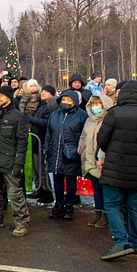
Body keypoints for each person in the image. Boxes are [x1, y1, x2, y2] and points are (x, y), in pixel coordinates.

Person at [97, 80, 137, 260]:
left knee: (112, 204)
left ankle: (120, 241)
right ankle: (135, 245)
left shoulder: (115, 113)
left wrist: (110, 150)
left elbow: (102, 139)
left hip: (115, 167)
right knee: (134, 207)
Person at [0, 86, 30, 237]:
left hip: (10, 161)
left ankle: (22, 224)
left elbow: (22, 142)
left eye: (1, 95)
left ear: (9, 97)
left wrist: (18, 163)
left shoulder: (18, 116)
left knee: (15, 194)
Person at [45, 90, 88, 219]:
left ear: (75, 101)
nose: (66, 102)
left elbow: (84, 135)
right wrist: (47, 149)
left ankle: (69, 206)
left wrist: (79, 150)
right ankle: (58, 204)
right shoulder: (55, 114)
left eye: (69, 100)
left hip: (71, 152)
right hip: (56, 151)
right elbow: (49, 133)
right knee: (57, 179)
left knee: (70, 179)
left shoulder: (82, 115)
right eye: (64, 99)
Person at [79, 93, 114, 228]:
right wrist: (80, 149)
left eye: (98, 104)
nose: (95, 107)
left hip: (103, 160)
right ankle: (98, 213)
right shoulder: (89, 120)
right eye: (93, 104)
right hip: (89, 158)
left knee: (105, 189)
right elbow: (83, 136)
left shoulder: (109, 120)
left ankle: (106, 215)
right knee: (96, 189)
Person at [27, 84, 55, 203]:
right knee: (35, 168)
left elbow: (46, 122)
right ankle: (39, 189)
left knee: (41, 168)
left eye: (46, 92)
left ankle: (46, 191)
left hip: (41, 141)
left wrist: (31, 119)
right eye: (42, 91)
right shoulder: (40, 105)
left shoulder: (50, 106)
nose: (42, 93)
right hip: (35, 141)